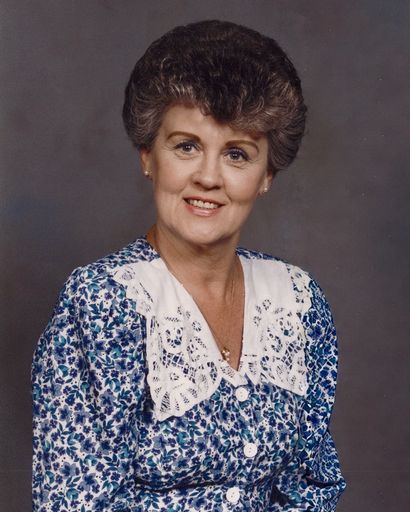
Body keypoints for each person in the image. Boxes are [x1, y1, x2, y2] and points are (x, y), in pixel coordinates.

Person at [31, 19, 346, 511]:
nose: (208, 177)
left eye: (237, 154)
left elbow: (311, 485)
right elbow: (75, 502)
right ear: (148, 156)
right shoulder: (101, 304)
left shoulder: (298, 301)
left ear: (266, 175)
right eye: (186, 146)